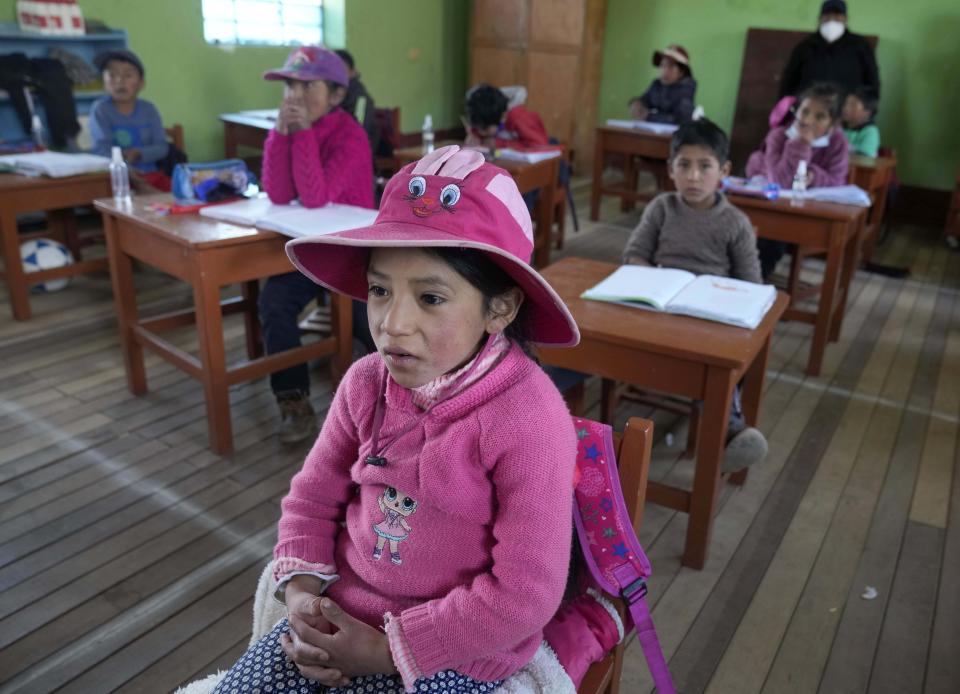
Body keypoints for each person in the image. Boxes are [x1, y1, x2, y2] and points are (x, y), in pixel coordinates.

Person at [212, 145, 581, 694]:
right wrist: (304, 599)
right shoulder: (365, 384)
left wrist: (391, 649)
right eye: (380, 290)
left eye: (431, 297)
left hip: (455, 652)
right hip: (341, 619)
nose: (392, 324)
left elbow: (525, 592)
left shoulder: (529, 420)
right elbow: (312, 501)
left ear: (500, 308)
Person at [623, 119, 767, 472]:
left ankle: (731, 432)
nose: (693, 176)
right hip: (658, 308)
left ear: (725, 171)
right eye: (683, 165)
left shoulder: (735, 222)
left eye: (705, 167)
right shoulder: (662, 208)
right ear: (670, 169)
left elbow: (751, 283)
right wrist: (649, 280)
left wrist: (719, 296)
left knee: (719, 359)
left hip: (708, 316)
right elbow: (635, 254)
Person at [259, 46, 375, 443]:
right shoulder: (292, 127)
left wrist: (302, 133)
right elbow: (276, 190)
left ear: (337, 95)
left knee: (371, 325)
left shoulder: (351, 135)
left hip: (355, 254)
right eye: (290, 86)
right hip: (311, 249)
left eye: (308, 87)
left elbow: (315, 196)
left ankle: (399, 405)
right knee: (274, 302)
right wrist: (280, 134)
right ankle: (293, 399)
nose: (295, 96)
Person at [746, 82, 850, 279]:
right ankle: (751, 280)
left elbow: (837, 181)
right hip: (775, 207)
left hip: (812, 212)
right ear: (796, 111)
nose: (808, 121)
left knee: (781, 234)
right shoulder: (778, 136)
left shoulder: (837, 143)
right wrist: (800, 145)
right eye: (805, 112)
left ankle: (755, 279)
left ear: (832, 123)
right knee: (768, 234)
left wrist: (813, 176)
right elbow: (781, 181)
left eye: (820, 117)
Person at [89, 49, 172, 191]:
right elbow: (101, 150)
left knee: (180, 195)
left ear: (141, 83)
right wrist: (126, 170)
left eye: (127, 75)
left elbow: (162, 147)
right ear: (104, 82)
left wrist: (139, 153)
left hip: (151, 175)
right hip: (115, 178)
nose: (119, 81)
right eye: (112, 75)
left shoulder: (149, 109)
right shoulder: (101, 110)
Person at [780, 0, 880, 100]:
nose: (832, 20)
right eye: (827, 15)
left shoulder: (860, 46)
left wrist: (867, 107)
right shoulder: (805, 47)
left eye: (837, 15)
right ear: (819, 19)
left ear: (845, 19)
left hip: (847, 109)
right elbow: (789, 80)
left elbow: (872, 80)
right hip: (810, 108)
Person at [464, 83, 550, 150]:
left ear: (502, 118)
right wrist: (474, 136)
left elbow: (539, 145)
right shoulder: (485, 115)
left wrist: (499, 143)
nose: (480, 132)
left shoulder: (517, 117)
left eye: (484, 129)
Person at [628, 45, 697, 124]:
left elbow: (680, 120)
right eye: (662, 65)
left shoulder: (686, 88)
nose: (664, 70)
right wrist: (636, 104)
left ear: (681, 72)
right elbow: (644, 100)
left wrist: (648, 116)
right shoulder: (657, 85)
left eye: (670, 66)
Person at [334, 49, 379, 154]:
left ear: (352, 72)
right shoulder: (329, 96)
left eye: (340, 69)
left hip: (356, 157)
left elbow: (358, 135)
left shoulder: (361, 99)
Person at [842, 86, 880, 157]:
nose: (846, 108)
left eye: (852, 105)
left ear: (867, 111)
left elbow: (866, 154)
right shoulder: (840, 129)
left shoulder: (870, 131)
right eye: (845, 103)